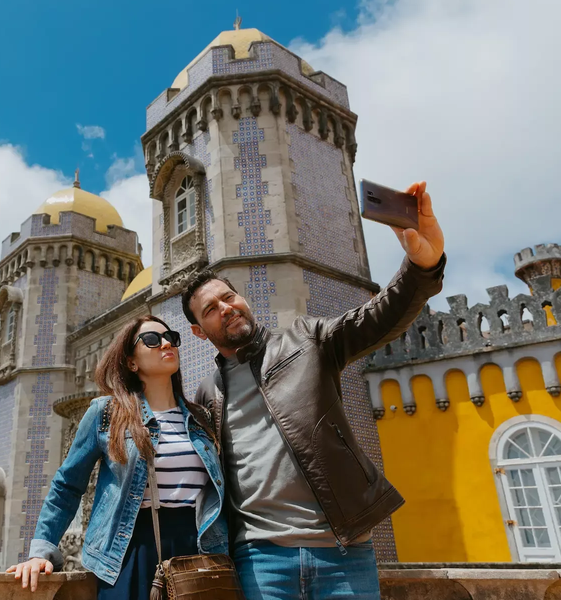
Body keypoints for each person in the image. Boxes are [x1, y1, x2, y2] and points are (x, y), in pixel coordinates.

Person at [181, 182, 446, 600]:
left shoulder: (307, 340)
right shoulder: (207, 393)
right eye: (211, 309)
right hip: (260, 559)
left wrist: (421, 268)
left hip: (343, 550)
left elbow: (377, 317)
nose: (226, 307)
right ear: (199, 331)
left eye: (229, 296)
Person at [8, 315, 228, 600]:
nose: (165, 344)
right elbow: (67, 486)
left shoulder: (201, 418)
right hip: (128, 553)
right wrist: (41, 551)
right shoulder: (106, 414)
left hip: (196, 550)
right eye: (151, 340)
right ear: (131, 362)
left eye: (171, 338)